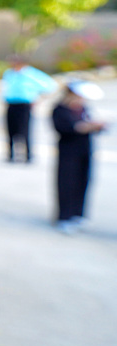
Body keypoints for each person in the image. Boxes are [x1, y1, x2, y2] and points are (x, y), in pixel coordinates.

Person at [51, 81, 107, 234]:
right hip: (68, 152)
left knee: (84, 181)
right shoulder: (60, 109)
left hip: (85, 150)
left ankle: (78, 214)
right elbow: (63, 128)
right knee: (67, 183)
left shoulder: (84, 109)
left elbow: (90, 123)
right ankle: (65, 217)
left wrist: (97, 126)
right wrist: (81, 127)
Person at [0, 55, 58, 163]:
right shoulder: (9, 73)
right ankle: (11, 154)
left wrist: (38, 96)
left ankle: (28, 155)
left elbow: (50, 85)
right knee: (10, 130)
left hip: (24, 104)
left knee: (24, 130)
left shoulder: (30, 73)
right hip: (11, 103)